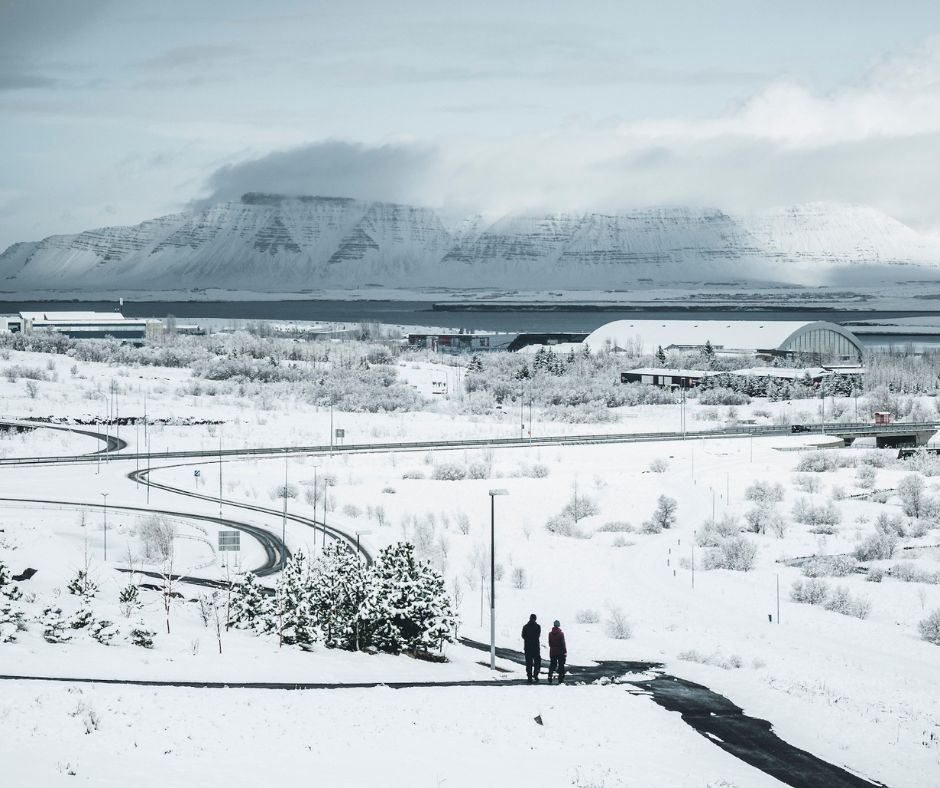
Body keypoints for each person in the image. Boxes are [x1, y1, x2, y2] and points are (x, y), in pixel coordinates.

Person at [521, 613, 541, 683]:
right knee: (537, 662)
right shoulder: (538, 627)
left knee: (529, 663)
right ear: (535, 619)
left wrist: (528, 639)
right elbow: (538, 636)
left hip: (527, 647)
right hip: (535, 647)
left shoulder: (525, 627)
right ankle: (535, 675)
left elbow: (523, 636)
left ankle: (529, 677)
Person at [548, 619, 567, 685]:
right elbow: (563, 643)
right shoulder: (561, 634)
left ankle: (550, 675)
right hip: (560, 652)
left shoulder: (550, 634)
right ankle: (561, 678)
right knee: (561, 665)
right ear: (558, 625)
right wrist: (565, 651)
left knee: (552, 664)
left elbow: (550, 643)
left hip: (553, 651)